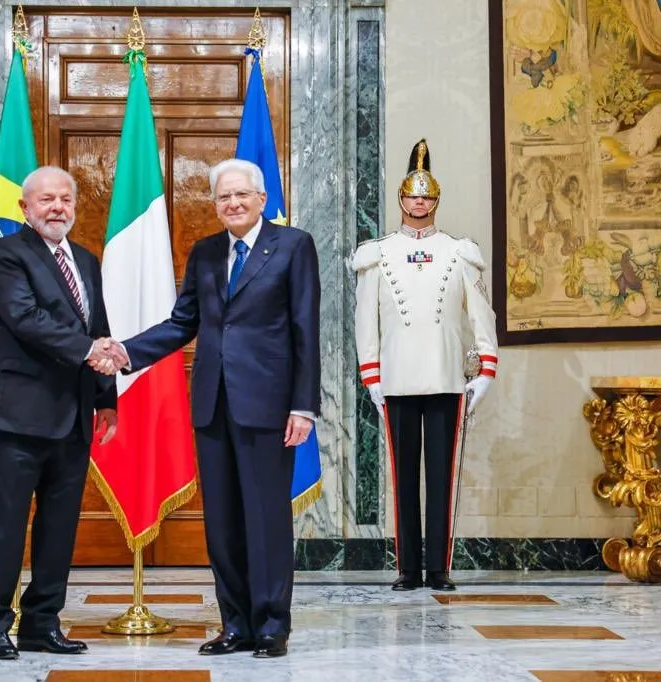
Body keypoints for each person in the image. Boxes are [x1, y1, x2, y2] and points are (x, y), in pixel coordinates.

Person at [95, 158, 320, 659]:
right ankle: (235, 624)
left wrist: (303, 406)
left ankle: (270, 626)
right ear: (215, 204)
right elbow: (181, 324)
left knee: (265, 519)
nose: (233, 204)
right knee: (222, 522)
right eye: (223, 197)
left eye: (242, 195)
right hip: (213, 405)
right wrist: (126, 352)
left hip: (269, 406)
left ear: (262, 199)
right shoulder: (205, 252)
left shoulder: (293, 246)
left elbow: (306, 329)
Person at [0, 165, 119, 660]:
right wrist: (90, 351)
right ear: (25, 208)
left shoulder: (86, 260)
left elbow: (97, 325)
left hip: (72, 415)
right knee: (7, 526)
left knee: (59, 529)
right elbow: (26, 319)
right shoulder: (5, 254)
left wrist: (106, 398)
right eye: (46, 200)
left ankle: (42, 623)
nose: (57, 208)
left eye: (65, 199)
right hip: (17, 414)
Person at [351, 139, 498, 592]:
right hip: (395, 377)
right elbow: (365, 322)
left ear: (436, 200)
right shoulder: (377, 254)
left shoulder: (459, 252)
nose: (419, 202)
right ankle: (407, 570)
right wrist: (371, 375)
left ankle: (438, 569)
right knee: (404, 478)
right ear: (401, 199)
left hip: (446, 375)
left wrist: (486, 370)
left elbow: (481, 315)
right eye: (413, 195)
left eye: (427, 195)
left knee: (441, 476)